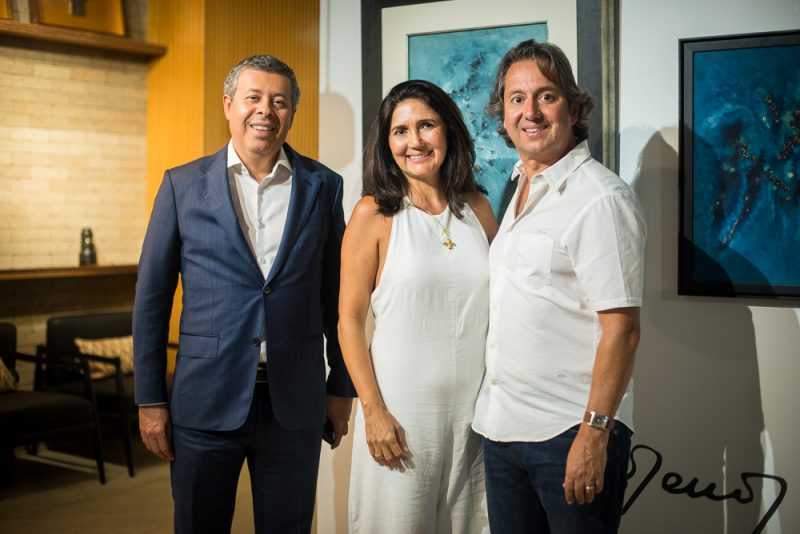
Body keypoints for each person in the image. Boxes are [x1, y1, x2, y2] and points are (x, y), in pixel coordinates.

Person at [133, 54, 356, 534]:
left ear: (292, 113)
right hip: (204, 402)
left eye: (279, 101)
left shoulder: (323, 187)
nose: (265, 111)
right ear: (229, 104)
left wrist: (340, 386)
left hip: (294, 404)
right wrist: (150, 398)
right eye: (253, 98)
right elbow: (152, 299)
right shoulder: (181, 185)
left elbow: (335, 297)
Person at [472, 40, 647, 533]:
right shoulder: (518, 188)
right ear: (503, 113)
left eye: (545, 96)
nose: (530, 111)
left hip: (568, 434)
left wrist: (594, 435)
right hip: (503, 429)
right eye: (516, 98)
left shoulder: (600, 200)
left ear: (572, 107)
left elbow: (624, 331)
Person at [338, 79, 497, 533]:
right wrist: (373, 412)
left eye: (426, 125)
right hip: (402, 419)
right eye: (401, 131)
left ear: (448, 131)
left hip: (475, 418)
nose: (415, 141)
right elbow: (348, 320)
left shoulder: (478, 209)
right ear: (387, 144)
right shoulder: (373, 215)